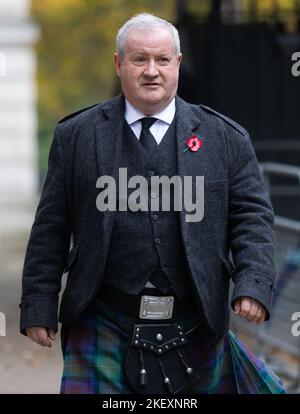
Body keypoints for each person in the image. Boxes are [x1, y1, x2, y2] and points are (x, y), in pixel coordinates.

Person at [20, 13, 286, 394]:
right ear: (118, 63)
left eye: (162, 60)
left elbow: (252, 218)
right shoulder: (76, 136)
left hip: (195, 316)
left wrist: (253, 282)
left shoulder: (224, 138)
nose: (151, 71)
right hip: (103, 316)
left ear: (177, 64)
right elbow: (51, 228)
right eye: (139, 59)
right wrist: (38, 304)